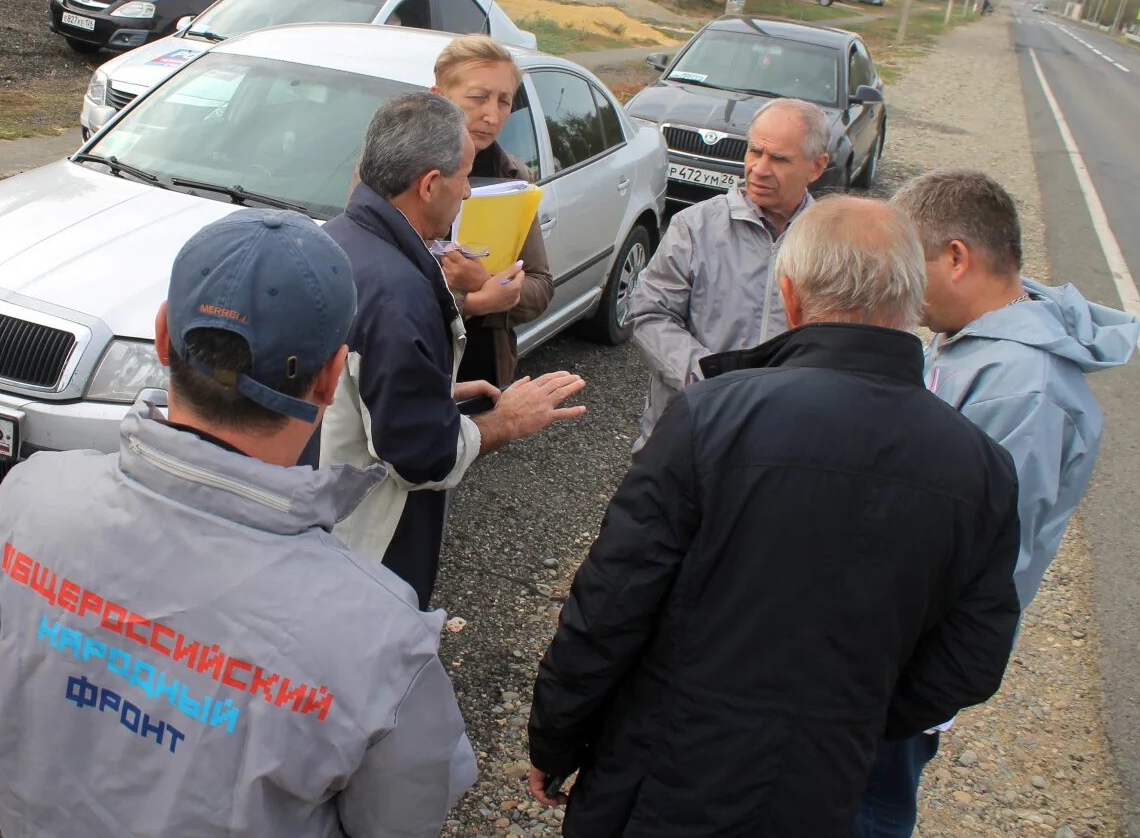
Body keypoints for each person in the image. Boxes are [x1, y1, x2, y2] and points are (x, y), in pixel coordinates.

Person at [0, 208, 477, 836]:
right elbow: (403, 818)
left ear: (162, 337)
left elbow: (5, 641)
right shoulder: (382, 637)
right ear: (328, 376)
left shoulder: (29, 497)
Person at [527, 196, 1022, 836]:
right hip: (826, 784)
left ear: (790, 297)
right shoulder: (981, 467)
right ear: (909, 299)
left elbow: (611, 602)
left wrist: (557, 736)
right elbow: (974, 655)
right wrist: (855, 716)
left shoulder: (713, 418)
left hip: (664, 768)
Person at [856, 170, 1140, 837]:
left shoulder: (1025, 389)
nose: (900, 285)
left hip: (911, 656)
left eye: (909, 264)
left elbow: (981, 555)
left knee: (870, 804)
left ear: (956, 258)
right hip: (892, 638)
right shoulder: (972, 343)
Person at [320, 91, 586, 609]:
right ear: (429, 185)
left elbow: (353, 388)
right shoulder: (401, 292)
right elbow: (420, 457)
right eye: (464, 176)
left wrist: (433, 386)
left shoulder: (337, 240)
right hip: (367, 556)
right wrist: (506, 421)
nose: (467, 193)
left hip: (318, 527)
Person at [627, 97, 829, 447]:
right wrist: (711, 379)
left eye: (779, 158)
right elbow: (647, 314)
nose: (759, 169)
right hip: (688, 433)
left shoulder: (834, 243)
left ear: (816, 167)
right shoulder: (694, 226)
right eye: (754, 152)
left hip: (781, 439)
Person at [430, 34, 552, 388]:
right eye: (478, 98)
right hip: (412, 363)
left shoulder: (513, 178)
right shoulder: (394, 168)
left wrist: (486, 284)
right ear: (438, 97)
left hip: (482, 368)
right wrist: (473, 301)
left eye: (504, 101)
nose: (492, 115)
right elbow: (377, 282)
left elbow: (541, 285)